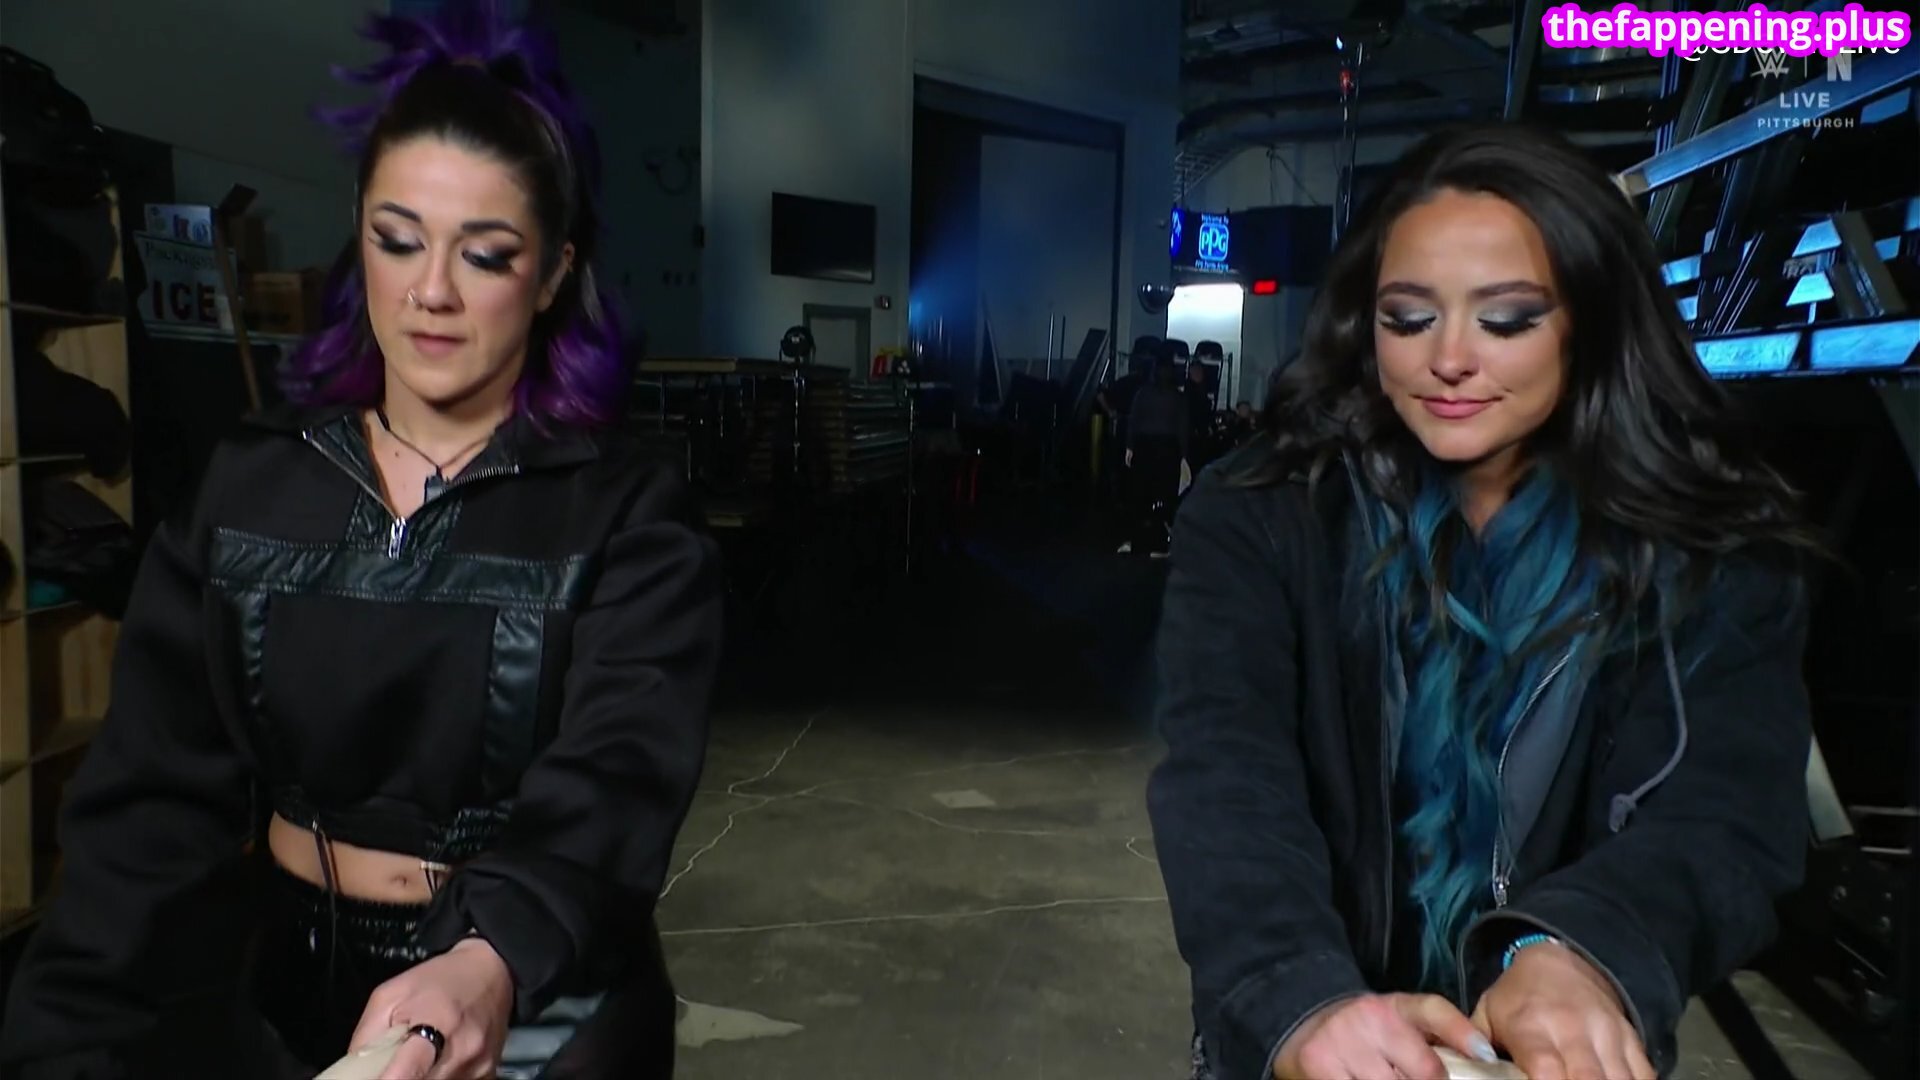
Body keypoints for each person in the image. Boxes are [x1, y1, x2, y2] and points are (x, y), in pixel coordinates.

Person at [0, 5, 722, 1078]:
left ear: (552, 272)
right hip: (278, 994)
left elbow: (616, 782)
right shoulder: (248, 488)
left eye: (486, 255)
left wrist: (484, 963)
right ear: (360, 235)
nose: (431, 291)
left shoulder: (628, 516)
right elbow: (147, 803)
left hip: (534, 1006)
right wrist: (67, 1032)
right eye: (398, 239)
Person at [1147, 121, 1823, 1080]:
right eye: (1407, 319)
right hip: (1324, 1031)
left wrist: (1584, 947)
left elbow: (1728, 808)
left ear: (1591, 322)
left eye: (1506, 320)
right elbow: (1225, 774)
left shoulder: (1712, 546)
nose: (1450, 358)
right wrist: (1296, 994)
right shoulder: (1260, 516)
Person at [1123, 360, 1191, 557]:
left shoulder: (1143, 393)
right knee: (1165, 496)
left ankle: (1137, 542)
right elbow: (1183, 428)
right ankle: (1160, 544)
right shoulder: (1177, 397)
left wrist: (1130, 446)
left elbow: (1133, 420)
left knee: (1141, 495)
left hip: (1145, 446)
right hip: (1168, 447)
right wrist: (1184, 455)